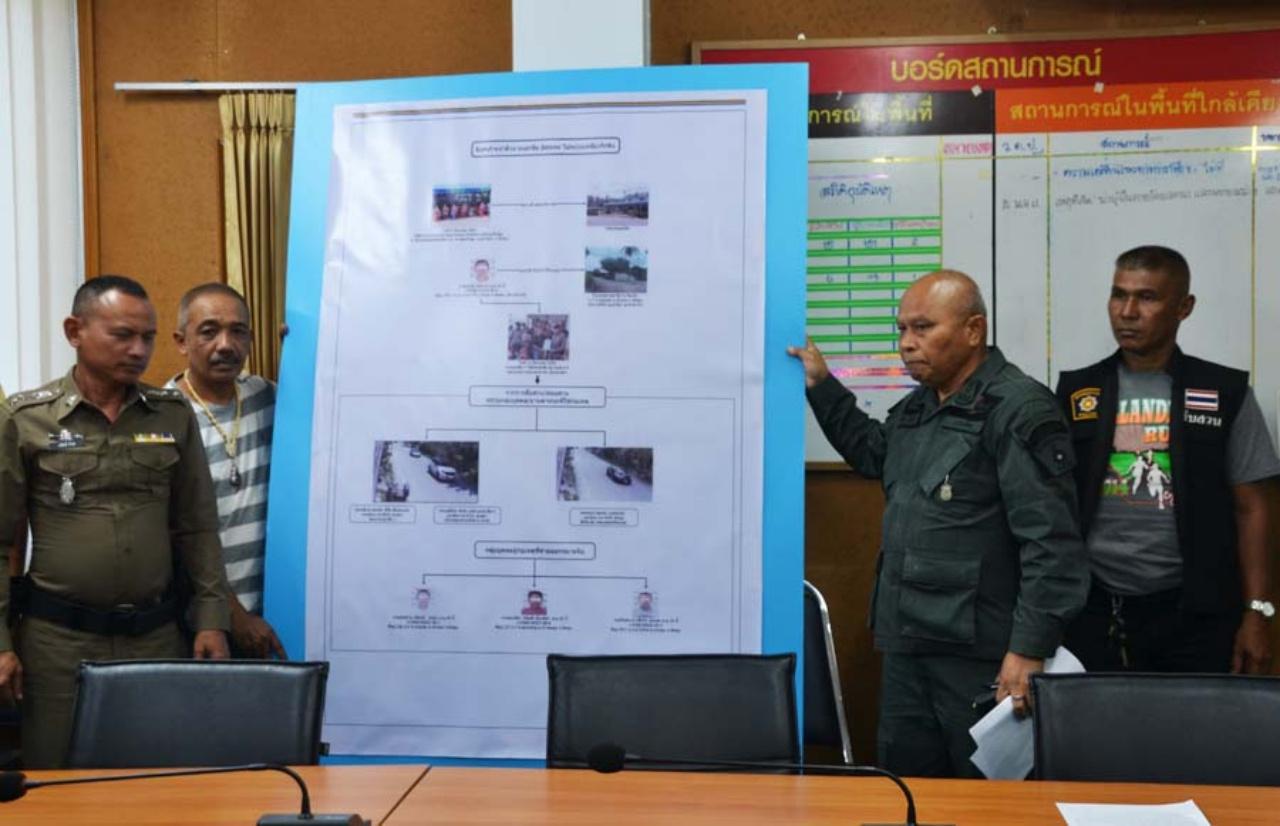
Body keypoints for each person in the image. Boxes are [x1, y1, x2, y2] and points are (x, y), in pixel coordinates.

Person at [788, 270, 1088, 778]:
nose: (907, 343)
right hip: (908, 644)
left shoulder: (1018, 408)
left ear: (973, 330)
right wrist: (820, 383)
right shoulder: (921, 406)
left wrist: (1028, 649)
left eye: (923, 328)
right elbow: (872, 452)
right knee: (910, 786)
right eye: (902, 329)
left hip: (980, 655)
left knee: (983, 800)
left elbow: (1052, 544)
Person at [0, 275, 230, 767]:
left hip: (155, 636)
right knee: (55, 780)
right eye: (123, 335)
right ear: (74, 331)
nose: (139, 350)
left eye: (147, 337)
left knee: (154, 777)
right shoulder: (27, 418)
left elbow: (197, 527)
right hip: (57, 641)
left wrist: (212, 620)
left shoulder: (171, 415)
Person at [1056, 245, 1280, 674]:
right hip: (1095, 608)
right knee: (1097, 719)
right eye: (1118, 295)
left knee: (1191, 719)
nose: (1127, 312)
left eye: (1147, 297)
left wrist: (1258, 611)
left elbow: (1254, 508)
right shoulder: (1078, 392)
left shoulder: (1223, 392)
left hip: (1195, 613)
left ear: (1184, 307)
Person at [169, 283, 285, 659]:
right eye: (209, 332)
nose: (225, 345)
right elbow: (177, 536)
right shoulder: (163, 419)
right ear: (181, 341)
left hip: (278, 615)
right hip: (202, 624)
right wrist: (232, 614)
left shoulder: (269, 398)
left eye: (238, 332)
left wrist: (306, 344)